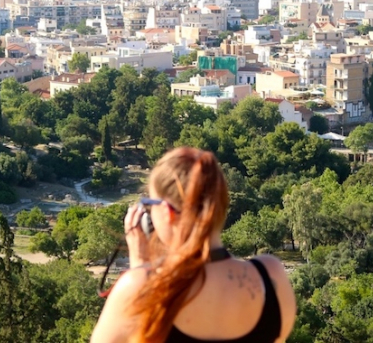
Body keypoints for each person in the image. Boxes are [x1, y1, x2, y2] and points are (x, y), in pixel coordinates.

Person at [91, 147, 296, 343]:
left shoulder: (136, 287)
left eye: (150, 204)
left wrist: (141, 270)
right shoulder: (271, 276)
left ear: (166, 212)